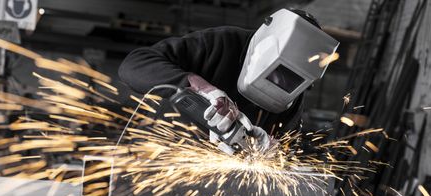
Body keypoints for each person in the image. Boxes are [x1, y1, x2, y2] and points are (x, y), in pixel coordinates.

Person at [119, 8, 339, 148]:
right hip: (160, 157)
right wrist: (199, 87)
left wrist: (270, 147)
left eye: (292, 79)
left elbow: (288, 144)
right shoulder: (221, 43)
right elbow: (133, 65)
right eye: (278, 72)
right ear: (264, 46)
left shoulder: (295, 94)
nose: (280, 83)